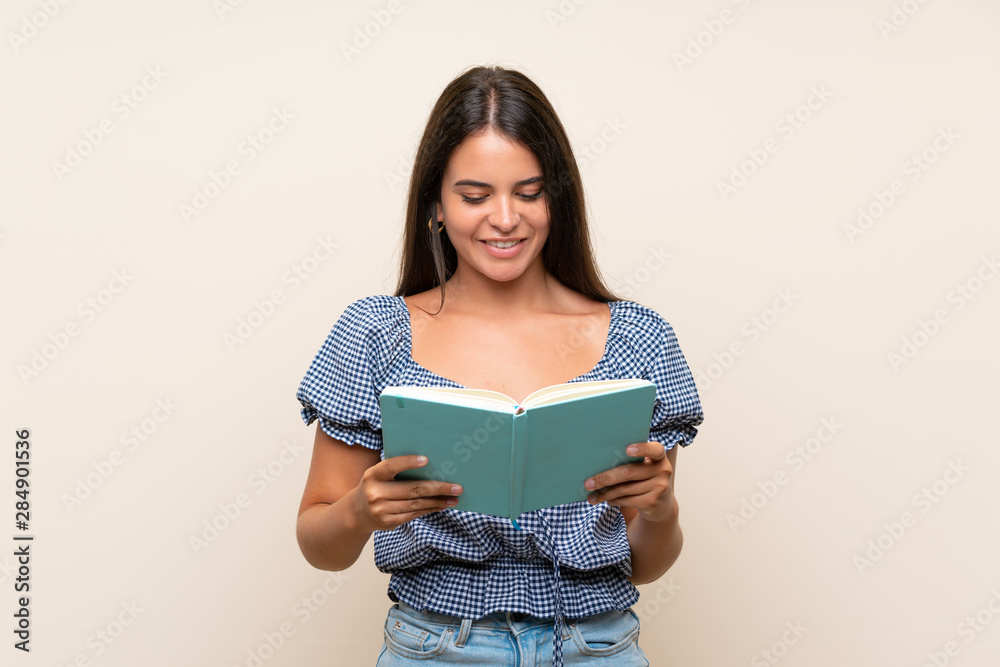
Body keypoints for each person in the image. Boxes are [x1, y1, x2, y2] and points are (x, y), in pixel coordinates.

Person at [294, 64, 703, 666]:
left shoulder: (639, 340)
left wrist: (659, 509)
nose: (506, 218)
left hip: (598, 647)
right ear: (435, 204)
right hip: (436, 649)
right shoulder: (375, 334)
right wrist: (359, 509)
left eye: (529, 192)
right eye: (475, 195)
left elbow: (648, 563)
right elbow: (319, 546)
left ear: (556, 198)